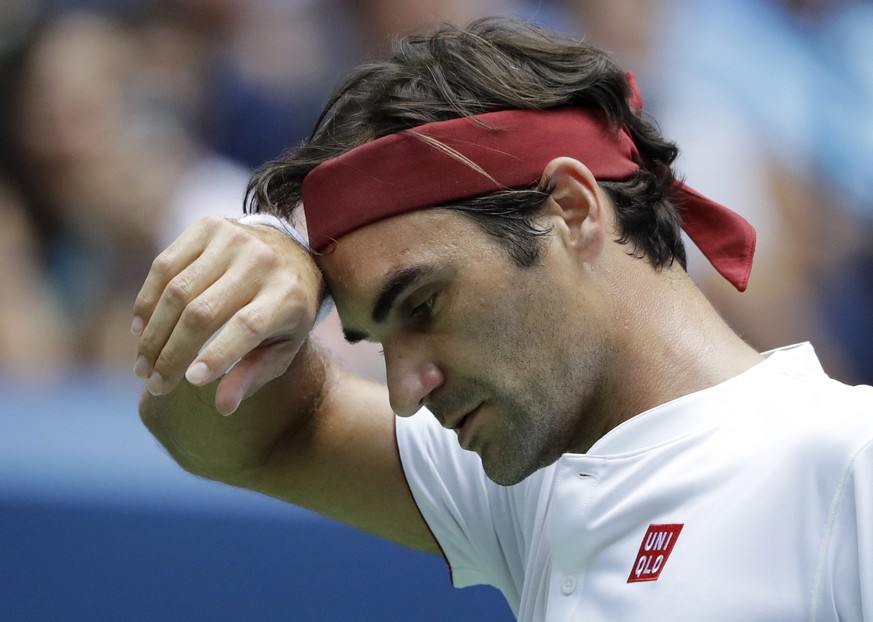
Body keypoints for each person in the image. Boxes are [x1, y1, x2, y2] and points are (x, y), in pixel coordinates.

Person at [133, 18, 873, 620]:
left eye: (422, 305)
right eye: (376, 338)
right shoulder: (530, 479)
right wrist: (281, 256)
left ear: (572, 210)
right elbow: (239, 437)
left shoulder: (850, 464)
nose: (404, 390)